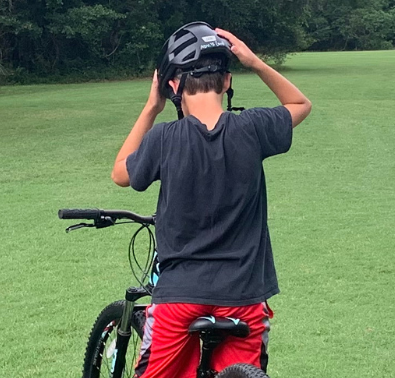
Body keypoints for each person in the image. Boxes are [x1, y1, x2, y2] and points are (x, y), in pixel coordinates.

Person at [111, 22, 312, 378]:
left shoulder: (163, 138)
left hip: (180, 296)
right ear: (228, 81)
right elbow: (300, 103)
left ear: (173, 86)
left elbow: (121, 174)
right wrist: (256, 62)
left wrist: (151, 108)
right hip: (246, 295)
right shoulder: (253, 127)